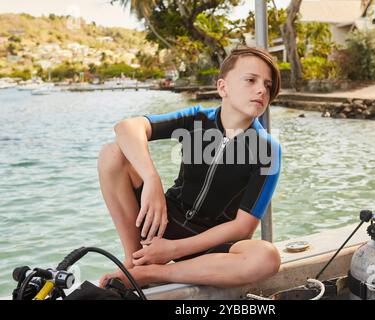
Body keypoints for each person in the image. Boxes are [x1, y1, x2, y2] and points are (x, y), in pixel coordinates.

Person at [97, 46, 282, 289]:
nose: (261, 89)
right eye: (250, 80)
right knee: (112, 154)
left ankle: (151, 274)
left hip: (211, 245)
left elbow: (243, 226)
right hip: (165, 220)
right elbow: (126, 127)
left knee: (266, 257)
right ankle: (135, 261)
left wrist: (173, 249)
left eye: (267, 86)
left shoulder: (267, 149)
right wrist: (151, 179)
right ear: (222, 87)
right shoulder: (196, 119)